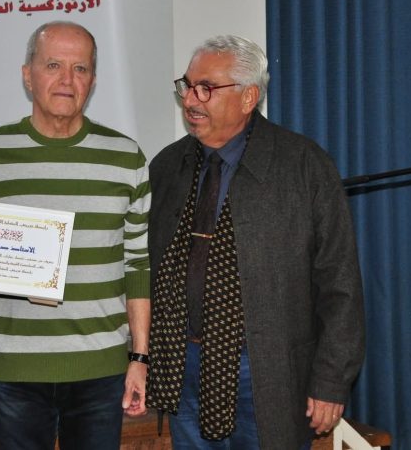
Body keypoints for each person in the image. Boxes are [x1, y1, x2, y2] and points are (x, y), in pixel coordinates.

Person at [146, 35, 365, 449]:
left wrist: (331, 380)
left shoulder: (303, 165)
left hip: (267, 371)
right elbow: (145, 268)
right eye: (187, 86)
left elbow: (340, 285)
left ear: (248, 97)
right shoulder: (168, 166)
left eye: (206, 88)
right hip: (182, 364)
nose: (190, 100)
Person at [0, 21, 151, 450]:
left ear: (93, 80)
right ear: (27, 75)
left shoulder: (126, 158)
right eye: (53, 65)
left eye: (80, 68)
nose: (67, 80)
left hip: (100, 370)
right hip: (14, 369)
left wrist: (139, 359)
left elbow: (138, 265)